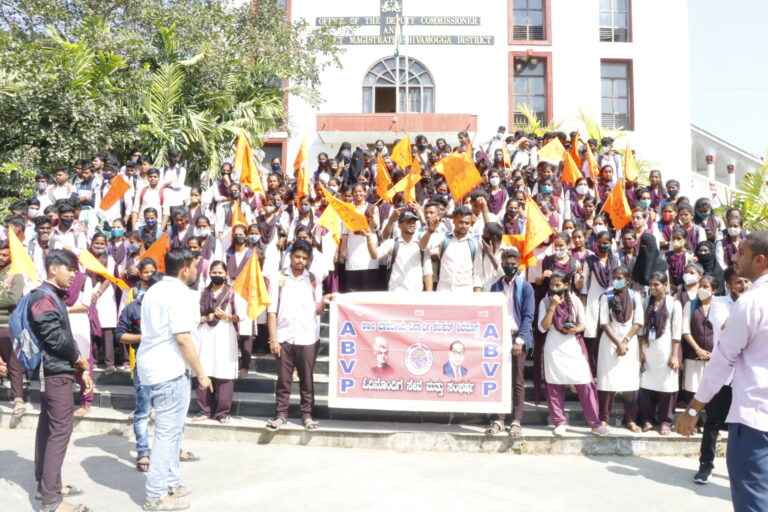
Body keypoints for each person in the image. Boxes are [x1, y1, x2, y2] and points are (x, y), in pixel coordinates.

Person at [677, 231, 768, 511]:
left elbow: (722, 359)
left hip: (755, 422)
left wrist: (693, 409)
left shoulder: (752, 302)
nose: (735, 256)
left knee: (754, 503)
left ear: (760, 260)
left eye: (742, 253)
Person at [137, 248, 211, 511]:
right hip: (169, 370)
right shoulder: (179, 293)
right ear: (184, 269)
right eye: (195, 267)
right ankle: (156, 495)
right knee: (168, 435)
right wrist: (201, 373)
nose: (196, 271)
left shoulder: (153, 290)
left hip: (152, 368)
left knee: (172, 432)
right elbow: (182, 337)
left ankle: (172, 484)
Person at [30, 249, 93, 512]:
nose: (74, 275)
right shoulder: (44, 297)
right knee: (59, 432)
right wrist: (79, 359)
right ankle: (52, 500)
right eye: (70, 269)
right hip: (55, 372)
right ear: (54, 268)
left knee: (48, 429)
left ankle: (45, 486)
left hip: (54, 370)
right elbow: (54, 338)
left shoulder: (51, 296)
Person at [265, 240, 334, 432]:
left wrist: (325, 301)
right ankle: (281, 415)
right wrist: (273, 338)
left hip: (308, 335)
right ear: (290, 256)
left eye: (305, 258)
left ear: (309, 259)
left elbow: (318, 310)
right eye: (297, 256)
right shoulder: (278, 277)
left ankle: (307, 415)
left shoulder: (313, 278)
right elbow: (272, 310)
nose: (300, 261)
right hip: (284, 335)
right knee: (283, 378)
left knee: (307, 378)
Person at [692, 267, 750, 484]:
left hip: (745, 375)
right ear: (728, 285)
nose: (743, 286)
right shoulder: (719, 304)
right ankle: (705, 466)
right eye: (738, 282)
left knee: (743, 427)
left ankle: (740, 471)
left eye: (746, 281)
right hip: (722, 375)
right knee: (713, 422)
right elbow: (727, 329)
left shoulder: (753, 303)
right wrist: (746, 304)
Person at [538, 270, 608, 437]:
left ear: (566, 285)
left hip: (572, 345)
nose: (554, 288)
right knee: (554, 385)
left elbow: (583, 324)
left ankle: (594, 423)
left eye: (558, 285)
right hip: (553, 345)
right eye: (552, 285)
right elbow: (543, 327)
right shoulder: (545, 302)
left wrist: (575, 329)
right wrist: (553, 307)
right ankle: (559, 422)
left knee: (585, 384)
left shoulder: (575, 300)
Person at [115, 270, 163, 473]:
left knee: (168, 414)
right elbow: (119, 335)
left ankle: (171, 450)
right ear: (147, 288)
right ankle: (143, 451)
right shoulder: (134, 308)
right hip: (143, 366)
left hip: (170, 367)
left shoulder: (171, 308)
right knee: (143, 412)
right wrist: (143, 337)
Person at [485, 248, 535, 438]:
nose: (510, 267)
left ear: (519, 265)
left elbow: (529, 316)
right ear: (502, 264)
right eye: (507, 263)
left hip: (517, 338)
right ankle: (499, 419)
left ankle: (516, 421)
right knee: (500, 380)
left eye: (514, 264)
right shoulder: (495, 287)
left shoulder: (525, 287)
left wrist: (520, 340)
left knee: (518, 381)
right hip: (499, 337)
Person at [596, 266, 644, 432]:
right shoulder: (606, 296)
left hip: (630, 341)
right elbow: (604, 322)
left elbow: (638, 322)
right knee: (607, 381)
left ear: (627, 280)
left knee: (630, 382)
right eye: (614, 277)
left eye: (619, 277)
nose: (616, 280)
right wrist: (618, 343)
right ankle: (603, 419)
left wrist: (625, 341)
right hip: (610, 341)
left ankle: (630, 420)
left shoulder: (635, 296)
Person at [194, 260, 239, 424]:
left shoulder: (232, 292)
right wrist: (206, 318)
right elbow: (194, 316)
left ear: (226, 274)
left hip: (225, 334)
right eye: (214, 272)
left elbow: (240, 316)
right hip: (205, 334)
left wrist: (226, 317)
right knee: (204, 369)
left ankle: (222, 412)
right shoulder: (202, 293)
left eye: (220, 273)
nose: (217, 275)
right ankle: (205, 410)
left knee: (224, 371)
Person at [638, 272, 681, 435]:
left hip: (666, 349)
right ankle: (647, 419)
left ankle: (665, 421)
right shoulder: (645, 302)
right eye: (651, 284)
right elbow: (641, 329)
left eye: (656, 284)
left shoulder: (673, 304)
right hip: (649, 348)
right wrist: (640, 351)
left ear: (665, 285)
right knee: (646, 385)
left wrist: (675, 355)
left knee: (667, 386)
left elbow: (677, 332)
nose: (653, 287)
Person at [0, 240, 26, 417]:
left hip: (7, 325)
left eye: (4, 255)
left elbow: (13, 299)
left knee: (14, 364)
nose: (1, 258)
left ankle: (18, 398)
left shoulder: (16, 275)